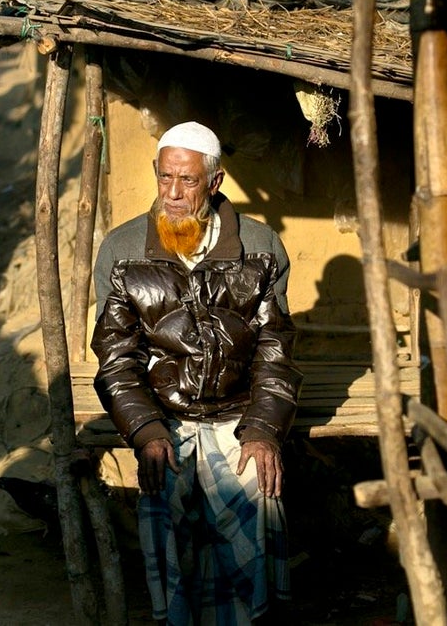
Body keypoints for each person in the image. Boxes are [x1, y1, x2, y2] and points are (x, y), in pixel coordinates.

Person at [91, 120, 302, 625]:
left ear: (215, 181)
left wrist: (263, 431)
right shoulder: (123, 253)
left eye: (187, 181)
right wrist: (146, 431)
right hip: (166, 416)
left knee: (259, 484)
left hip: (236, 414)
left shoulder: (259, 246)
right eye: (165, 178)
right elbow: (117, 360)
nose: (174, 194)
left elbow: (276, 350)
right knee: (161, 491)